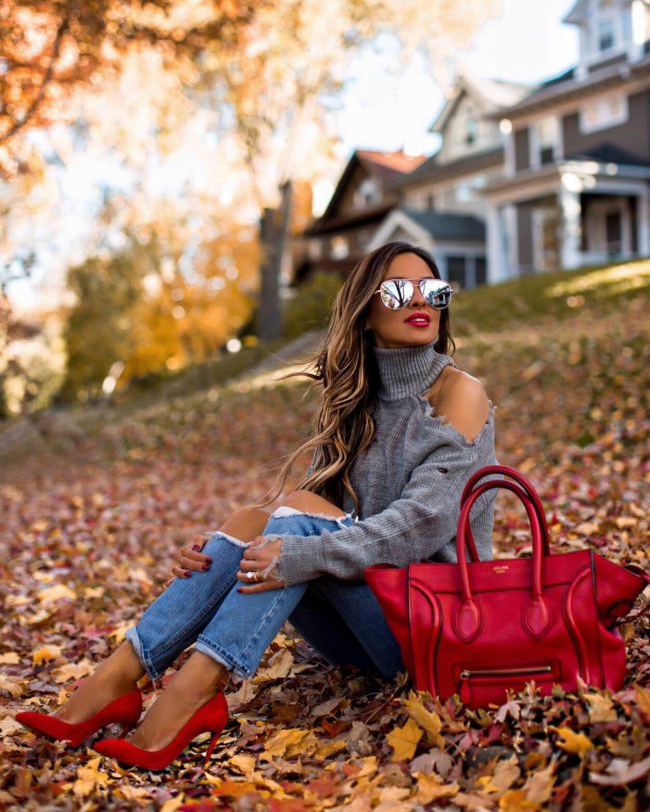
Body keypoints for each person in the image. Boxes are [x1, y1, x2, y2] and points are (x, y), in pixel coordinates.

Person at [16, 240, 498, 771]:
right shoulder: (355, 402)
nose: (420, 300)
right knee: (253, 520)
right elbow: (312, 515)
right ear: (365, 312)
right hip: (362, 630)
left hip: (433, 629)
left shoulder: (459, 393)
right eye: (399, 290)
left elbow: (422, 525)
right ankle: (118, 677)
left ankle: (190, 694)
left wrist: (299, 553)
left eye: (433, 289)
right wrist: (219, 552)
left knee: (293, 520)